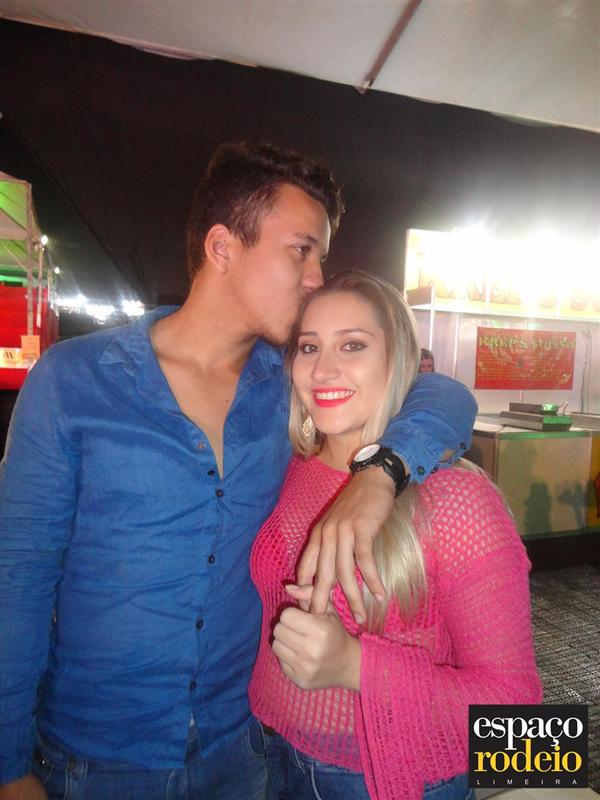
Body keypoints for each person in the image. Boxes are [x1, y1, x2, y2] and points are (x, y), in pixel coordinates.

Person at [0, 144, 477, 800]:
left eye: (321, 257)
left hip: (243, 750)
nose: (316, 278)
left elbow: (445, 395)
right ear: (223, 247)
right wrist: (7, 766)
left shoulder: (287, 389)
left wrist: (380, 474)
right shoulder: (74, 382)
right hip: (97, 759)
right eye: (301, 251)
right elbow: (17, 581)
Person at [249, 271, 542, 800]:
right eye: (310, 347)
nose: (324, 369)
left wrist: (355, 666)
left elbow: (519, 717)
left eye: (353, 345)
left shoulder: (457, 499)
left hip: (380, 776)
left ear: (398, 360)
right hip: (266, 750)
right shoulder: (292, 468)